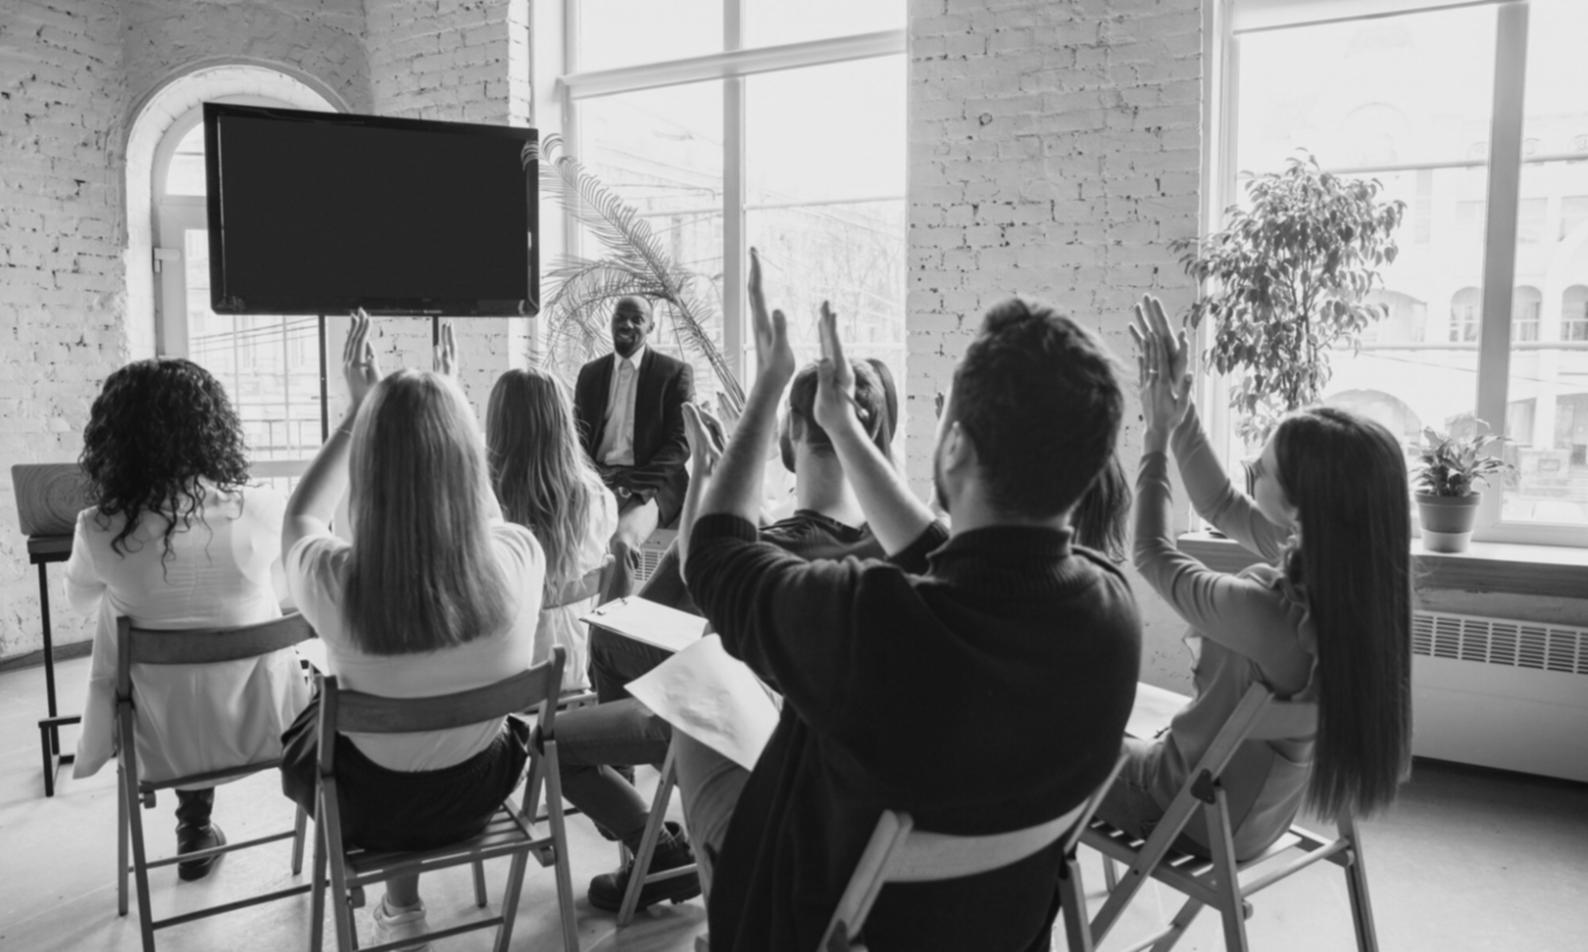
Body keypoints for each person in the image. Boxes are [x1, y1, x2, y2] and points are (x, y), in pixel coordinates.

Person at [671, 257, 1142, 951]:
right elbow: (952, 553)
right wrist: (844, 428)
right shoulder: (1111, 613)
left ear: (954, 446)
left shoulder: (871, 625)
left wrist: (772, 383)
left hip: (804, 919)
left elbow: (712, 555)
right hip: (992, 928)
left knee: (695, 709)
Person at [549, 318, 896, 914]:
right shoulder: (902, 542)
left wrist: (711, 478)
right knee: (610, 634)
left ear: (789, 436)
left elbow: (703, 598)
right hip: (833, 766)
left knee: (548, 739)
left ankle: (651, 846)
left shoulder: (764, 554)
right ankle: (650, 846)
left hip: (732, 733)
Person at [1106, 294, 1411, 861]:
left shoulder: (1267, 611)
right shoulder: (1345, 580)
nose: (1251, 472)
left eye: (1262, 469)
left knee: (1042, 743)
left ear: (1299, 508)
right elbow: (1221, 503)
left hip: (1186, 813)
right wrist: (1178, 411)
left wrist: (1153, 440)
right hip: (1259, 814)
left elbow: (1150, 553)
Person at [279, 314, 546, 950]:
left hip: (368, 803)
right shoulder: (521, 556)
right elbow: (486, 519)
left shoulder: (332, 577)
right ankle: (402, 908)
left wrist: (358, 414)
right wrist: (451, 409)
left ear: (366, 465)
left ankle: (402, 909)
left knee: (313, 711)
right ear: (468, 457)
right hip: (481, 786)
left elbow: (301, 515)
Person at [64, 358, 309, 882]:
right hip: (268, 723)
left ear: (117, 436)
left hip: (156, 737)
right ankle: (196, 826)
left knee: (120, 612)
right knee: (238, 620)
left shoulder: (98, 527)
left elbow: (79, 603)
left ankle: (192, 826)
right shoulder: (263, 510)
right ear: (212, 428)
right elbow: (291, 594)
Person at [486, 367, 618, 692]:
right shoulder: (597, 498)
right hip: (570, 673)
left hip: (501, 685)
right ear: (563, 421)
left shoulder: (483, 501)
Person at [573, 296, 694, 597]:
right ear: (612, 322)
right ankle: (573, 626)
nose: (626, 323)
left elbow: (681, 444)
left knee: (622, 544)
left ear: (651, 326)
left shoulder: (674, 373)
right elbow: (578, 438)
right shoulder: (590, 374)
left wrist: (630, 487)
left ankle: (610, 639)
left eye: (637, 319)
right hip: (597, 480)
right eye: (620, 316)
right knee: (566, 538)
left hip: (651, 484)